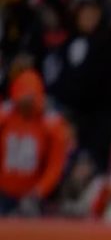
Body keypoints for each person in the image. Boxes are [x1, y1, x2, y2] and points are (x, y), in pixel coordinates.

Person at [0, 70, 71, 216]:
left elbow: (55, 165)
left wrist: (39, 191)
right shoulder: (6, 116)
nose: (25, 106)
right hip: (3, 192)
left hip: (32, 197)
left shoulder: (51, 124)